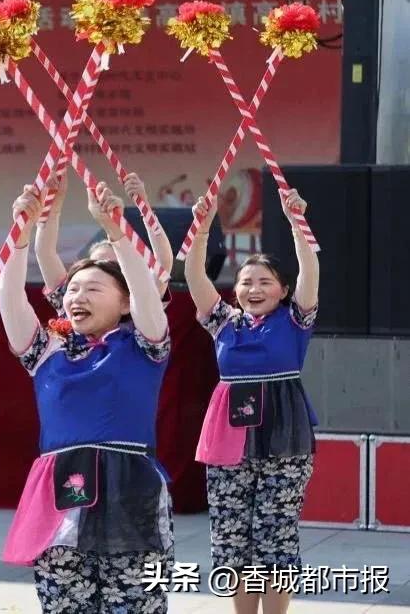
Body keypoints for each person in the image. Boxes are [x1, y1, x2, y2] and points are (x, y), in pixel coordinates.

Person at [0, 183, 173, 613]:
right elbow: (10, 298)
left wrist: (115, 231)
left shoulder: (145, 345)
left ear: (126, 303)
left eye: (93, 289)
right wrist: (20, 236)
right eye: (73, 290)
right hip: (58, 495)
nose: (77, 296)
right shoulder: (47, 352)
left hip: (130, 489)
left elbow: (146, 290)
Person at [185, 190, 319, 614]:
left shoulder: (295, 319)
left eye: (265, 282)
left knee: (275, 535)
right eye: (246, 282)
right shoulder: (223, 323)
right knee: (232, 536)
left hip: (284, 437)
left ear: (283, 290)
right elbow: (194, 276)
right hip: (228, 440)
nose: (254, 288)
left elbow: (310, 269)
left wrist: (297, 223)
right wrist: (202, 229)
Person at [37, 171, 173, 315]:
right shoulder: (72, 301)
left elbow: (163, 262)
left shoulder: (139, 305)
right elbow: (45, 252)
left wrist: (144, 207)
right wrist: (52, 207)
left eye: (114, 266)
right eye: (96, 263)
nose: (104, 270)